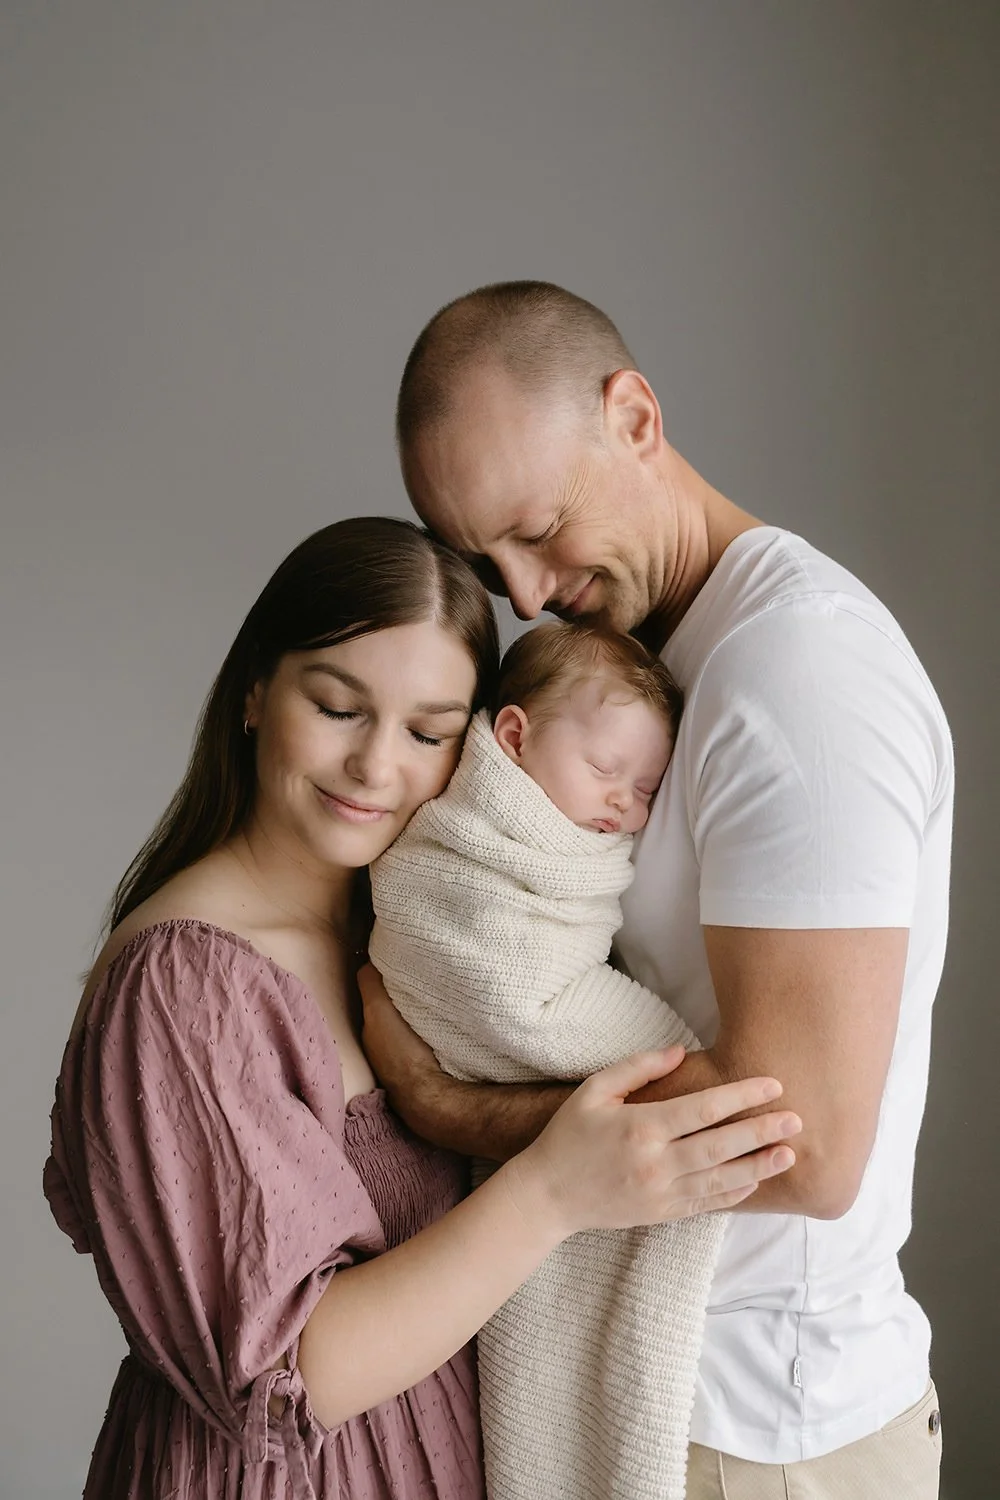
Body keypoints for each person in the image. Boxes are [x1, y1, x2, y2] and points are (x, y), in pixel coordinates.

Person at [43, 516, 801, 1500]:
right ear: (253, 694)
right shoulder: (187, 985)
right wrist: (554, 1193)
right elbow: (286, 1377)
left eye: (428, 731)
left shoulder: (412, 942)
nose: (376, 766)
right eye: (336, 706)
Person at [359, 282, 954, 1500]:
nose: (521, 594)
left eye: (538, 529)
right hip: (677, 1402)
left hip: (759, 1434)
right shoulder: (661, 664)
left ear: (634, 416)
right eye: (485, 560)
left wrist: (443, 1102)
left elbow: (801, 1147)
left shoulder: (798, 673)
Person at [369, 619, 733, 1499]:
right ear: (514, 739)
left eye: (646, 788)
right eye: (607, 770)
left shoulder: (580, 843)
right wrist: (675, 1060)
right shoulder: (461, 845)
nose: (624, 807)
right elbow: (507, 986)